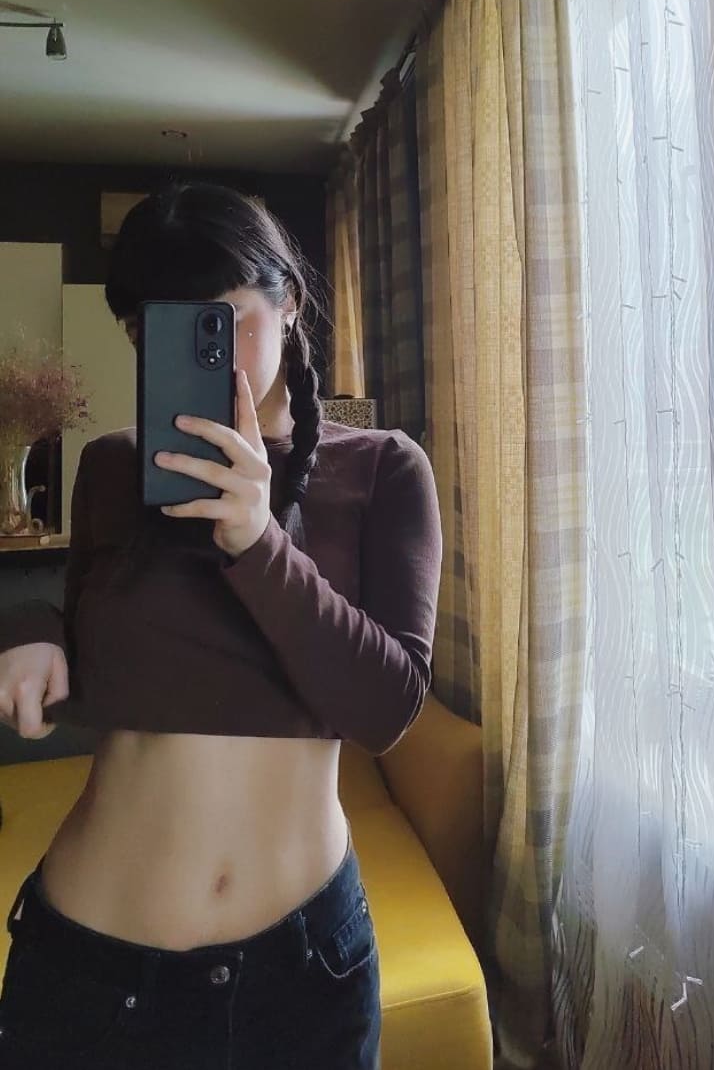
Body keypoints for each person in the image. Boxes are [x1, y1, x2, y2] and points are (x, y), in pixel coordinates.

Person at [0, 182, 442, 1069]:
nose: (206, 355)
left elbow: (386, 706)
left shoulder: (384, 470)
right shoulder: (113, 468)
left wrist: (257, 538)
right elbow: (107, 659)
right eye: (156, 329)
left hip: (303, 975)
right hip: (90, 968)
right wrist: (31, 625)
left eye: (223, 319)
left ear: (291, 303)